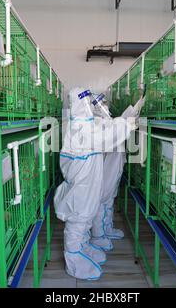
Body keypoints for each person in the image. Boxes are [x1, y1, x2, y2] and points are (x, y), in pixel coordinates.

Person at [53, 87, 136, 280]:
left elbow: (103, 130)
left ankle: (83, 248)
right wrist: (126, 123)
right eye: (87, 101)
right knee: (78, 220)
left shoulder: (84, 125)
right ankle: (74, 262)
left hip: (86, 185)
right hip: (81, 188)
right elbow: (106, 137)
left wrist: (123, 122)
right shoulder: (80, 128)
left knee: (85, 218)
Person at [89, 93, 145, 251]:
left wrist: (131, 114)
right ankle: (98, 235)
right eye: (103, 103)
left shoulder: (106, 120)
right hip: (105, 169)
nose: (106, 105)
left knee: (109, 198)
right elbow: (111, 137)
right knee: (102, 199)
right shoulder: (96, 122)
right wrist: (127, 124)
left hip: (114, 167)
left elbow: (116, 126)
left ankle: (107, 229)